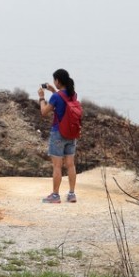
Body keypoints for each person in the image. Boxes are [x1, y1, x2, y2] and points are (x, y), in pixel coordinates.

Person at [37, 69, 78, 203]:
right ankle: (71, 194)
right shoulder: (73, 94)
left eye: (54, 80)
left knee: (57, 166)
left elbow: (44, 112)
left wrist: (41, 97)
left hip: (58, 133)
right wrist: (54, 91)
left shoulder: (56, 97)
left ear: (58, 81)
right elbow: (63, 101)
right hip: (71, 133)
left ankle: (55, 196)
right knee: (70, 165)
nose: (54, 82)